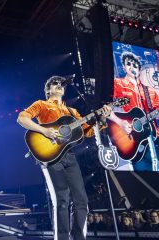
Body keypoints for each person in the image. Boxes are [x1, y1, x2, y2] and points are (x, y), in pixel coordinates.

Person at [17, 75, 111, 240]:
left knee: (82, 200)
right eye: (55, 83)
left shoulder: (72, 112)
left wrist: (102, 119)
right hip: (51, 156)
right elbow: (22, 118)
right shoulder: (42, 104)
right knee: (62, 200)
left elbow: (87, 132)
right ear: (48, 89)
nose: (59, 85)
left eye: (61, 83)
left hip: (70, 156)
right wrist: (44, 131)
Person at [109, 52, 159, 171]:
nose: (132, 66)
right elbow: (105, 107)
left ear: (139, 69)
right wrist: (120, 122)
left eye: (135, 65)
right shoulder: (118, 84)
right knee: (144, 181)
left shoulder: (150, 91)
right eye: (128, 64)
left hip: (154, 139)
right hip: (133, 141)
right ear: (124, 67)